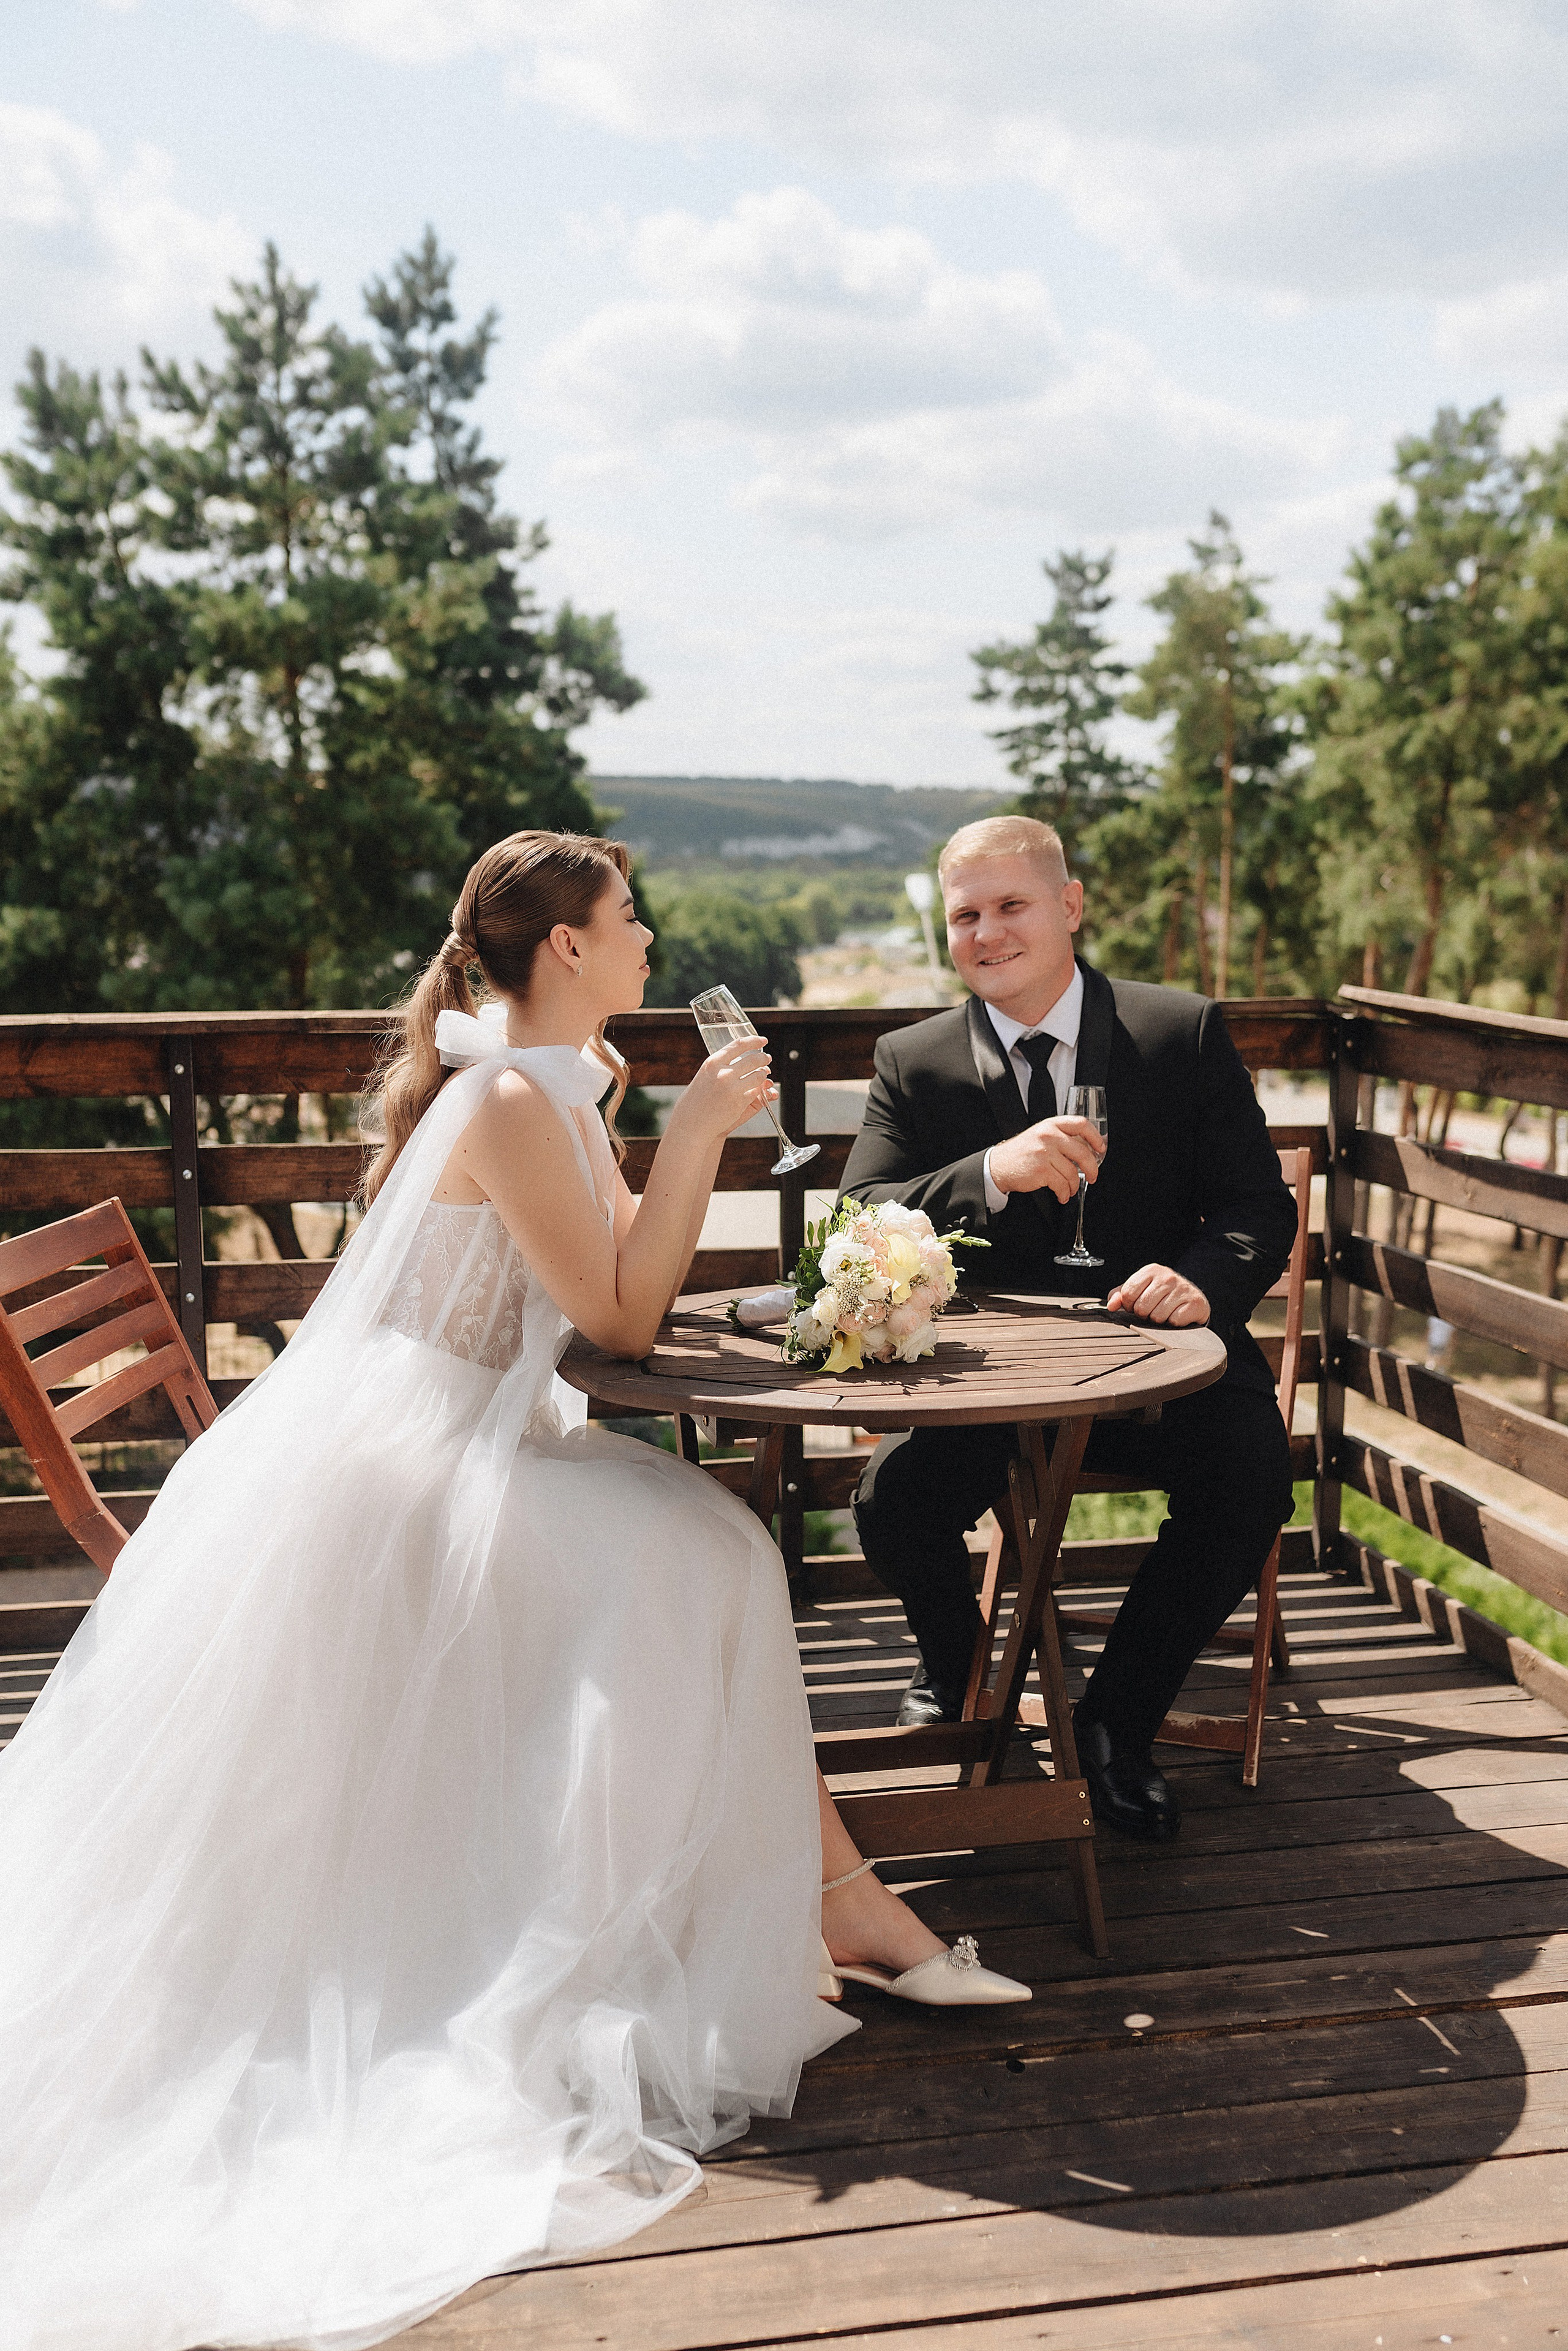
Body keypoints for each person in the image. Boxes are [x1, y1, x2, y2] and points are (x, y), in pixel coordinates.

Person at [0, 831, 1027, 2351]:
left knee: (705, 1548)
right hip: (407, 1478)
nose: (648, 935)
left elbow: (606, 1293)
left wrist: (654, 1132)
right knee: (704, 1555)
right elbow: (621, 1313)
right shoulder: (501, 1096)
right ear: (566, 948)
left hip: (483, 1437)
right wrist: (697, 1133)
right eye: (628, 916)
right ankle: (826, 1905)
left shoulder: (555, 1078)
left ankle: (837, 1901)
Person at [839, 815, 1297, 1842]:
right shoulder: (913, 1060)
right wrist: (989, 1173)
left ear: (1071, 906)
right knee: (891, 1504)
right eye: (966, 915)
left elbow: (1258, 1207)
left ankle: (1115, 1723)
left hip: (1161, 1363)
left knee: (1252, 1481)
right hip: (990, 1381)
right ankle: (963, 1675)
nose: (987, 933)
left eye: (1012, 905)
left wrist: (1201, 1281)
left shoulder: (1179, 1032)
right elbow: (857, 1218)